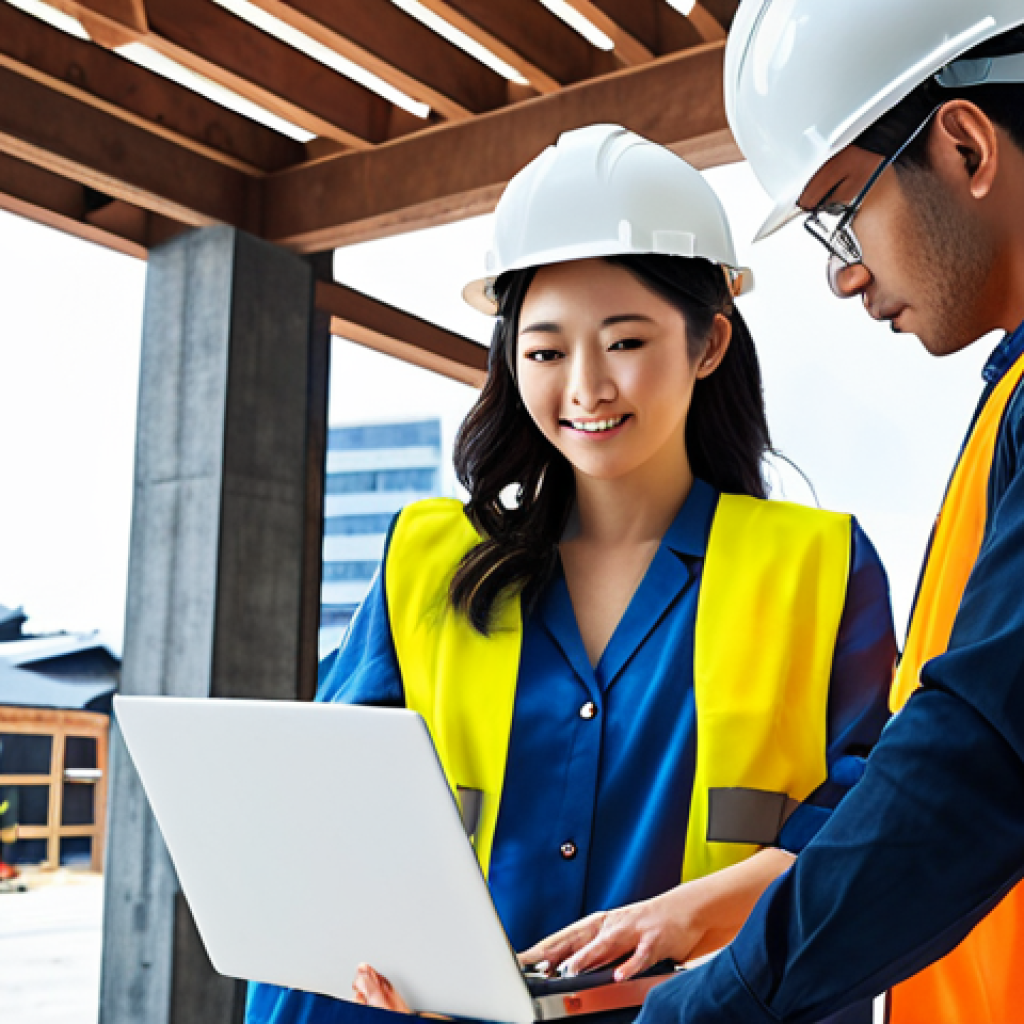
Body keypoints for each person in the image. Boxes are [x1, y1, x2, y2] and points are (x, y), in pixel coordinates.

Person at [244, 124, 896, 1024]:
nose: (585, 387)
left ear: (708, 344)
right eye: (547, 352)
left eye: (624, 342)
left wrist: (693, 915)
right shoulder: (427, 559)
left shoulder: (817, 565)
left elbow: (879, 820)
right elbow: (335, 819)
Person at [555, 5, 1024, 1023]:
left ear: (964, 145)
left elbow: (980, 755)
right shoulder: (1006, 397)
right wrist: (731, 896)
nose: (846, 272)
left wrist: (705, 1006)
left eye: (842, 211)